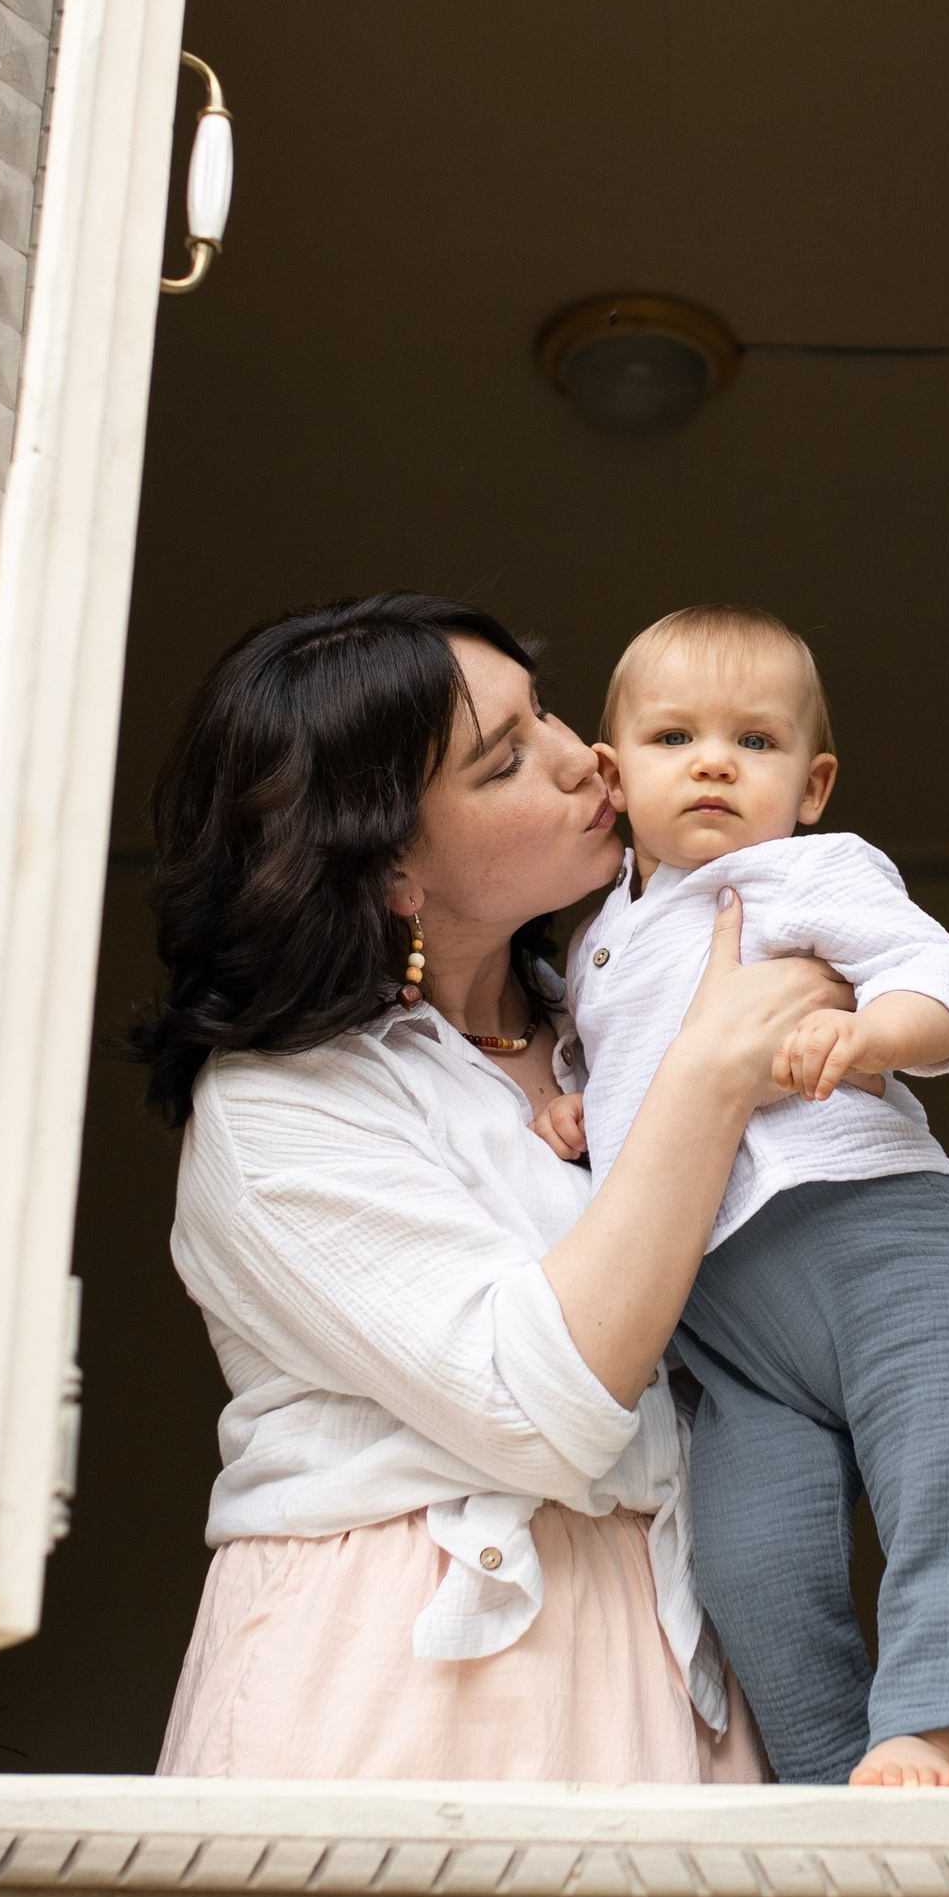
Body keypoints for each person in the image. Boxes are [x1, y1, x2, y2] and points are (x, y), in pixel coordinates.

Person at [135, 593, 849, 1783]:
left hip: (676, 1663)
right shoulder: (281, 1112)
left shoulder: (609, 1029)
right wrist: (713, 1076)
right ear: (391, 867)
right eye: (506, 759)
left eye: (550, 713)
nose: (587, 761)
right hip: (403, 1675)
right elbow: (538, 1407)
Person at [547, 606, 949, 1792]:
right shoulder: (593, 940)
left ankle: (928, 1725)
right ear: (612, 778)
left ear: (810, 786)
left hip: (880, 1237)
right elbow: (606, 1057)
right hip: (725, 1325)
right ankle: (824, 1774)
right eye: (673, 738)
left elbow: (944, 978)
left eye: (753, 743)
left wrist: (869, 1034)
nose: (712, 761)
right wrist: (571, 1108)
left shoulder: (809, 870)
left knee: (940, 1480)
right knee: (748, 1557)